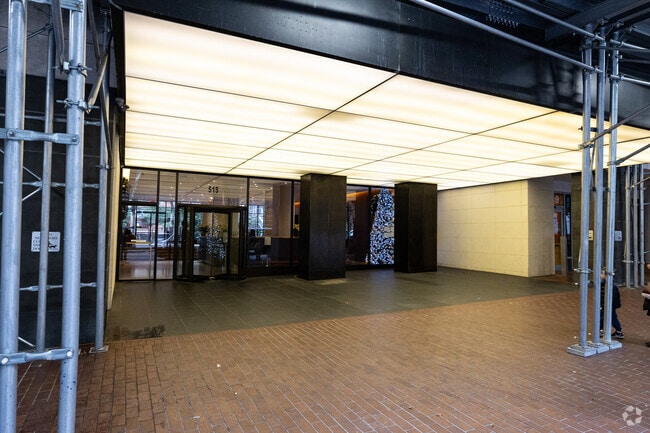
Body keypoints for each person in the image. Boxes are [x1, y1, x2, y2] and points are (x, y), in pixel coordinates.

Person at [600, 272, 623, 339]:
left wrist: (607, 305)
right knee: (613, 317)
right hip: (608, 305)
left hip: (608, 305)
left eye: (602, 274)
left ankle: (600, 329)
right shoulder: (606, 283)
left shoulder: (610, 285)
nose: (600, 275)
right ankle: (618, 331)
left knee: (603, 317)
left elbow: (613, 297)